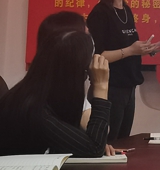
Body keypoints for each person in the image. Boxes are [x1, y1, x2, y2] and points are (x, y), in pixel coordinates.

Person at [0, 29, 110, 157]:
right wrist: (101, 86)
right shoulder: (32, 108)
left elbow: (91, 143)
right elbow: (94, 148)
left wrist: (85, 142)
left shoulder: (40, 95)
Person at [87, 0, 157, 141]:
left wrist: (155, 48)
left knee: (122, 143)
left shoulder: (126, 10)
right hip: (109, 89)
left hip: (128, 87)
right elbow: (97, 57)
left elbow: (131, 46)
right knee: (108, 143)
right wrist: (131, 51)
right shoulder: (100, 13)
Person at [37, 11, 118, 155]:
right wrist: (101, 86)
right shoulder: (36, 102)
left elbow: (101, 132)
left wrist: (95, 84)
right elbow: (95, 147)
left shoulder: (67, 90)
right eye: (86, 35)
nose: (91, 42)